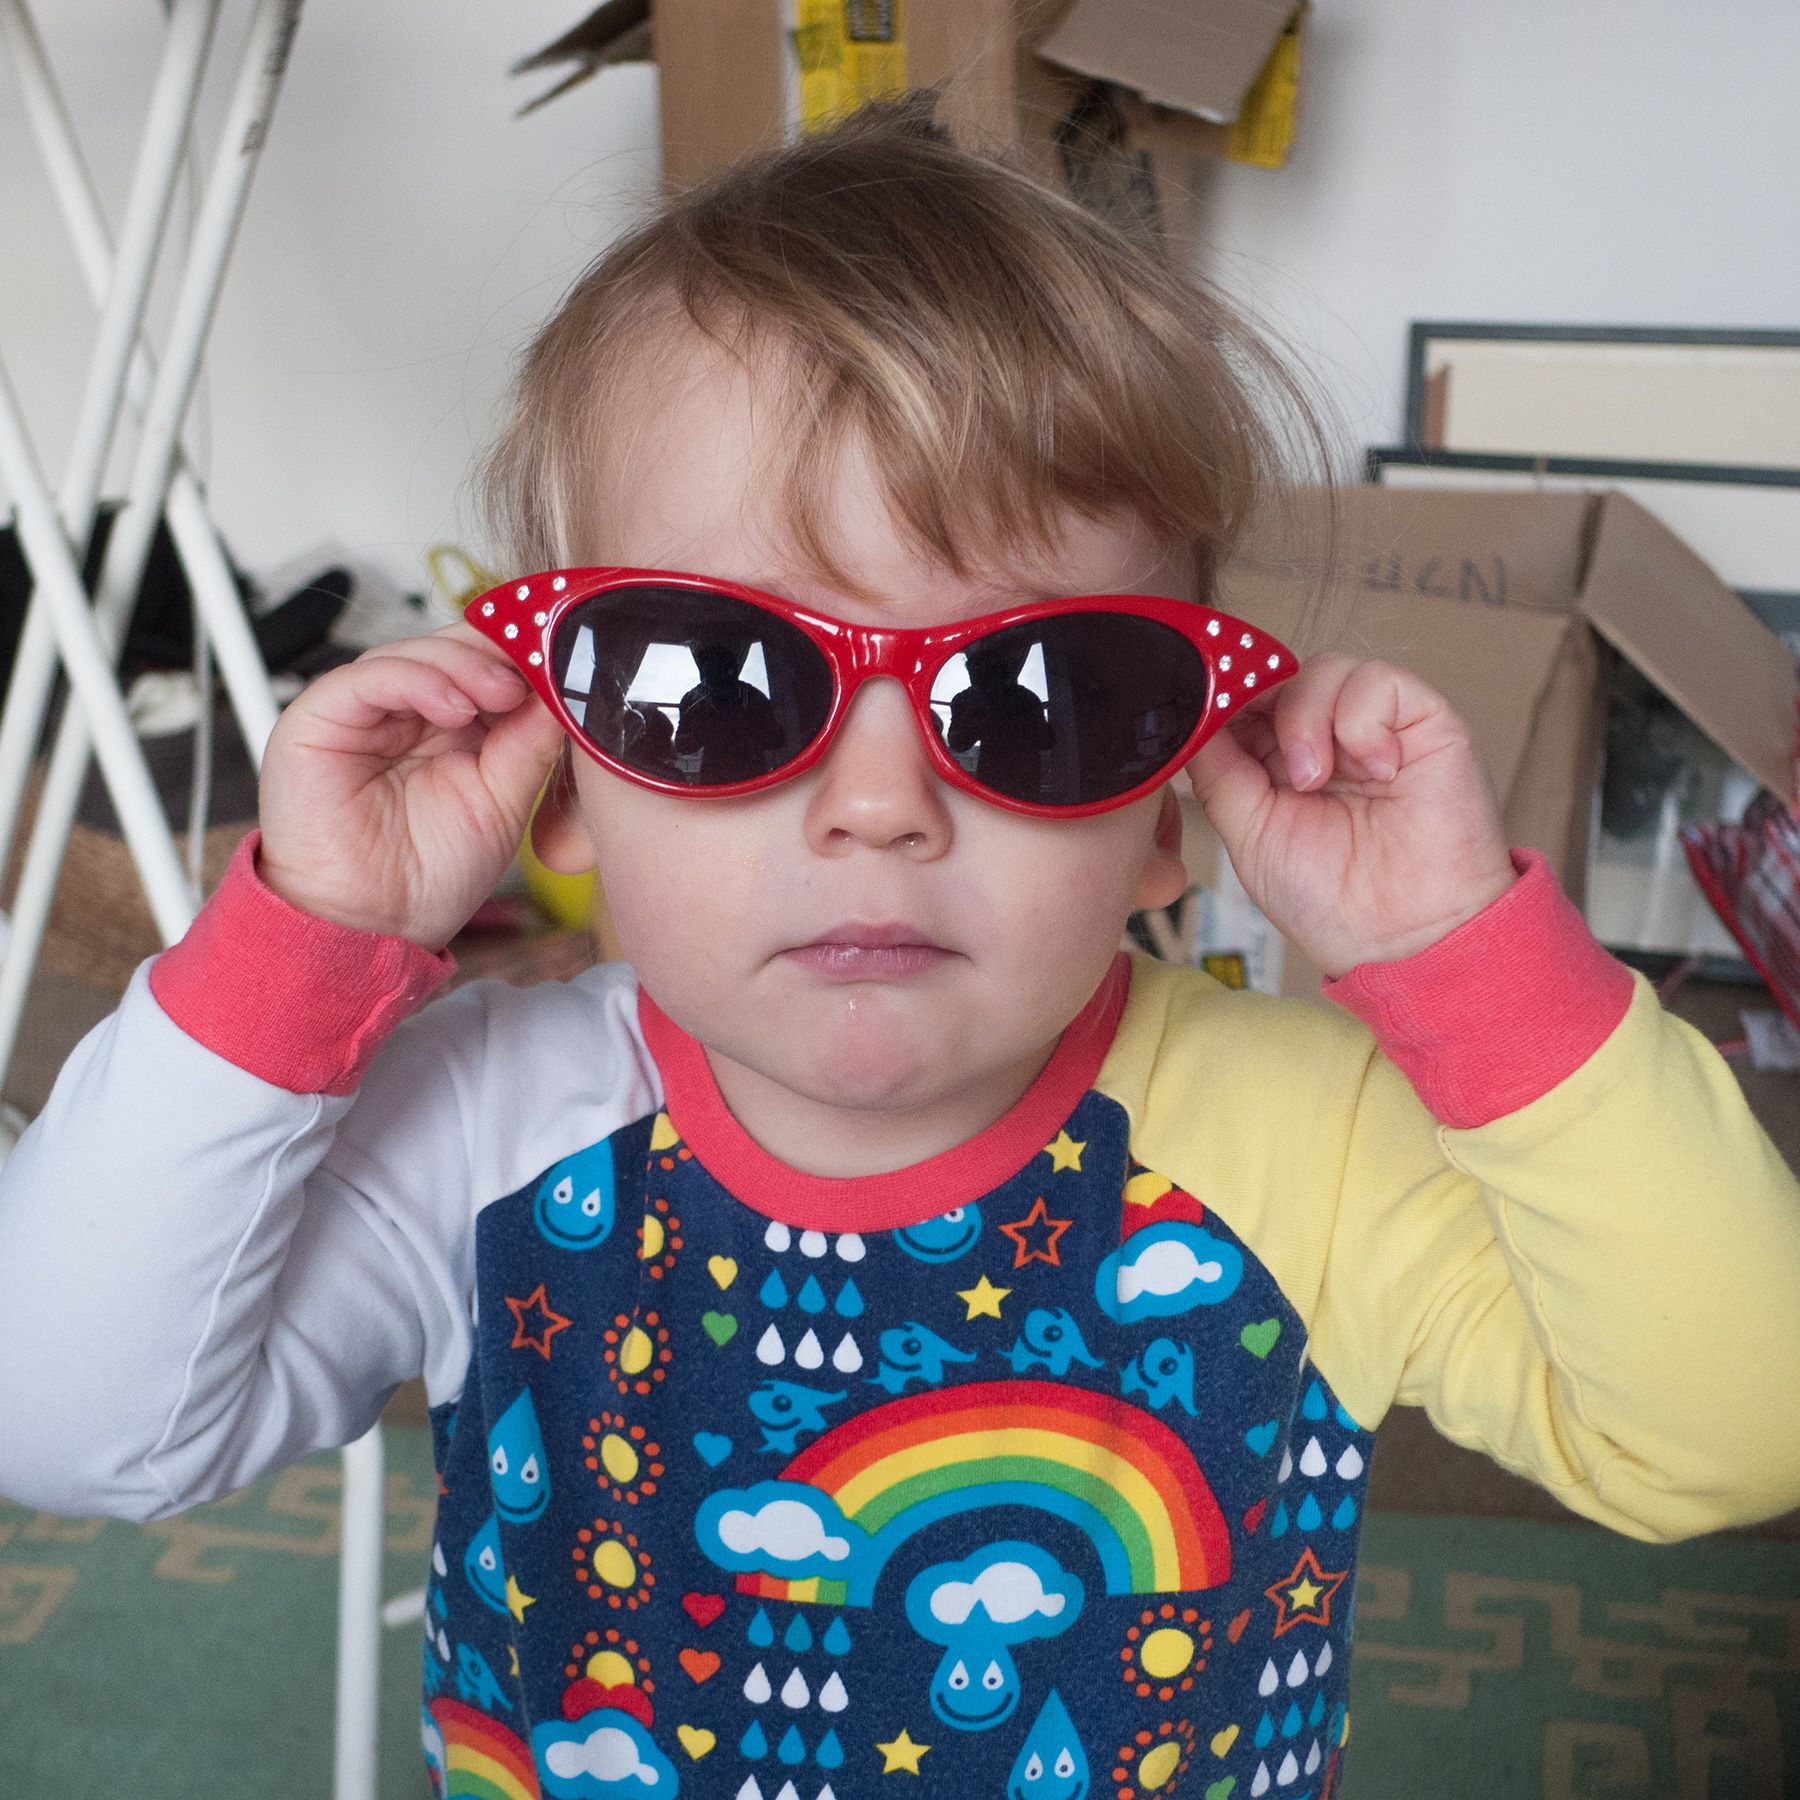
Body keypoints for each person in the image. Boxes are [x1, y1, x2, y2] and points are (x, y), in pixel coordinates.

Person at [2, 94, 1797, 1800]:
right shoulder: (487, 1135)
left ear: (1166, 807)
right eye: (717, 681)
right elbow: (72, 1417)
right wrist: (306, 946)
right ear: (566, 766)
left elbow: (1737, 1423)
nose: (880, 807)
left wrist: (1463, 956)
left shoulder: (1312, 1146)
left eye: (1044, 696)